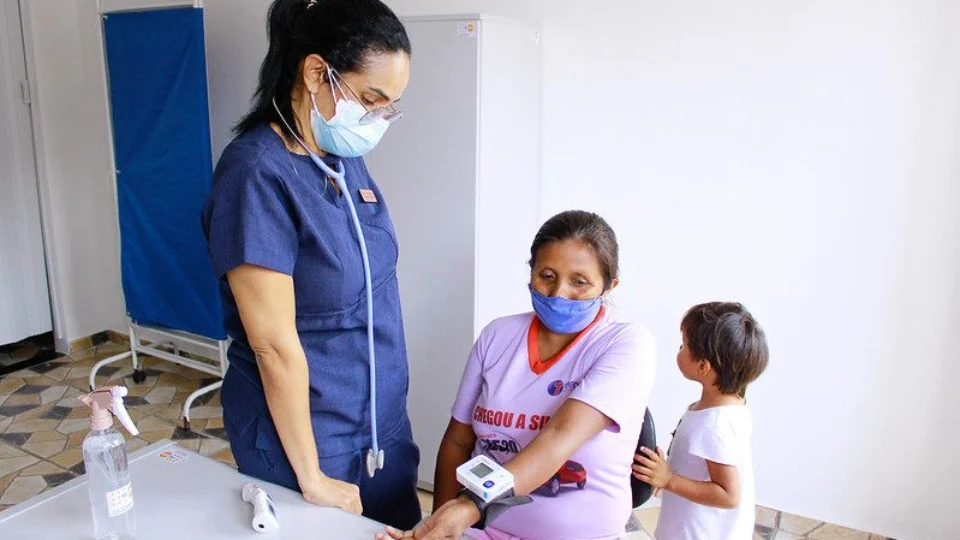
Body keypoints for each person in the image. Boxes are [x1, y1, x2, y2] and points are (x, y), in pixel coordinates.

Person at [201, 0, 421, 529]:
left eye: (391, 105)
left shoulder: (340, 158)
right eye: (371, 99)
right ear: (316, 72)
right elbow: (272, 345)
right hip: (309, 439)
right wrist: (313, 477)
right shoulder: (255, 176)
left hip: (380, 427)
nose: (379, 118)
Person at [380, 210, 657, 540]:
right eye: (547, 276)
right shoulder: (497, 336)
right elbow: (458, 439)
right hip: (484, 530)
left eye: (579, 282)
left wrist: (469, 507)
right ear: (531, 273)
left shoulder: (626, 343)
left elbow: (558, 439)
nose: (559, 294)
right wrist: (439, 527)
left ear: (609, 286)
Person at [632, 302, 769, 540]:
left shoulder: (715, 426)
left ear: (703, 366)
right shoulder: (729, 407)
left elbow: (729, 494)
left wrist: (670, 479)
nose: (679, 348)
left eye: (684, 345)